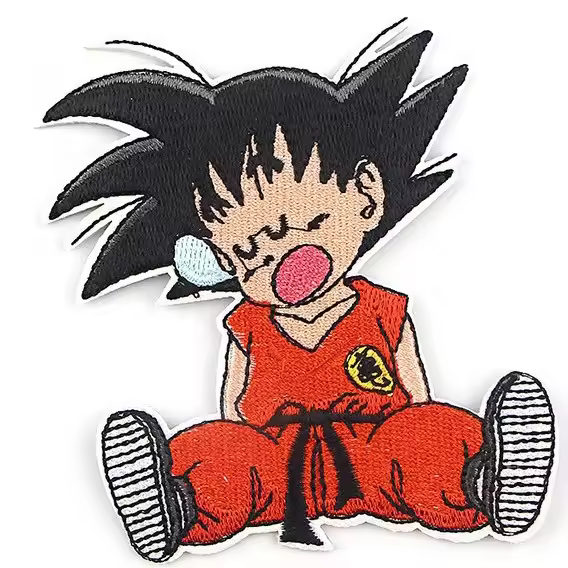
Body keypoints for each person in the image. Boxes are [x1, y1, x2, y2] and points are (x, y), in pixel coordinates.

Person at [44, 24, 555, 563]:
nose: (279, 262)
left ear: (366, 197)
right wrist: (234, 444)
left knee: (424, 440)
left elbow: (415, 393)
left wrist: (422, 428)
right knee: (225, 454)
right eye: (249, 254)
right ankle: (175, 502)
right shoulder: (248, 325)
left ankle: (485, 479)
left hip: (375, 448)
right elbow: (233, 411)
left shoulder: (382, 310)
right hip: (277, 466)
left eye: (304, 225)